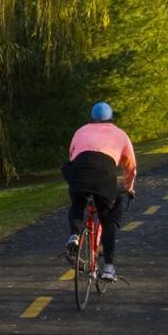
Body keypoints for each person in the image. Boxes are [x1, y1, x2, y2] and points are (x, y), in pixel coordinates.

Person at [61, 101, 136, 281]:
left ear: (91, 118)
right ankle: (109, 267)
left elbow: (72, 154)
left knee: (77, 203)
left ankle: (75, 235)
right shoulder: (120, 134)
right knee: (109, 216)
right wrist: (129, 187)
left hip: (78, 170)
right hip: (103, 173)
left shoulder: (81, 131)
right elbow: (130, 166)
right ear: (111, 118)